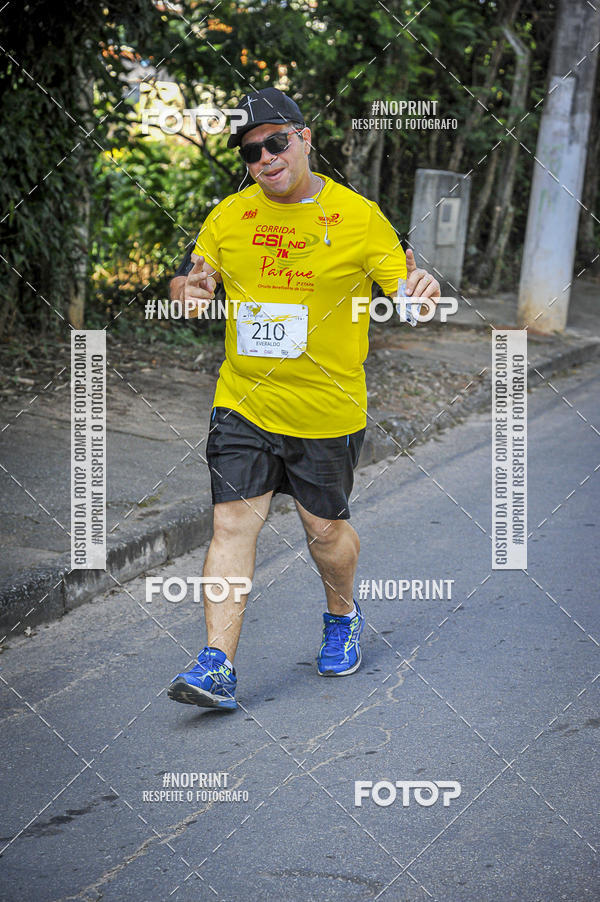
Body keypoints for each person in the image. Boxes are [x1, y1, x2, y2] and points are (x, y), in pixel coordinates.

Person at [167, 87, 440, 710]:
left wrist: (421, 292)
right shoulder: (229, 216)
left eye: (275, 141)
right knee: (232, 522)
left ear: (304, 137)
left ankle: (341, 615)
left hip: (327, 409)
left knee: (325, 533)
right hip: (243, 402)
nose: (264, 157)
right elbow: (188, 277)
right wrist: (189, 289)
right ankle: (217, 665)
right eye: (250, 150)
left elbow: (407, 288)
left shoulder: (358, 217)